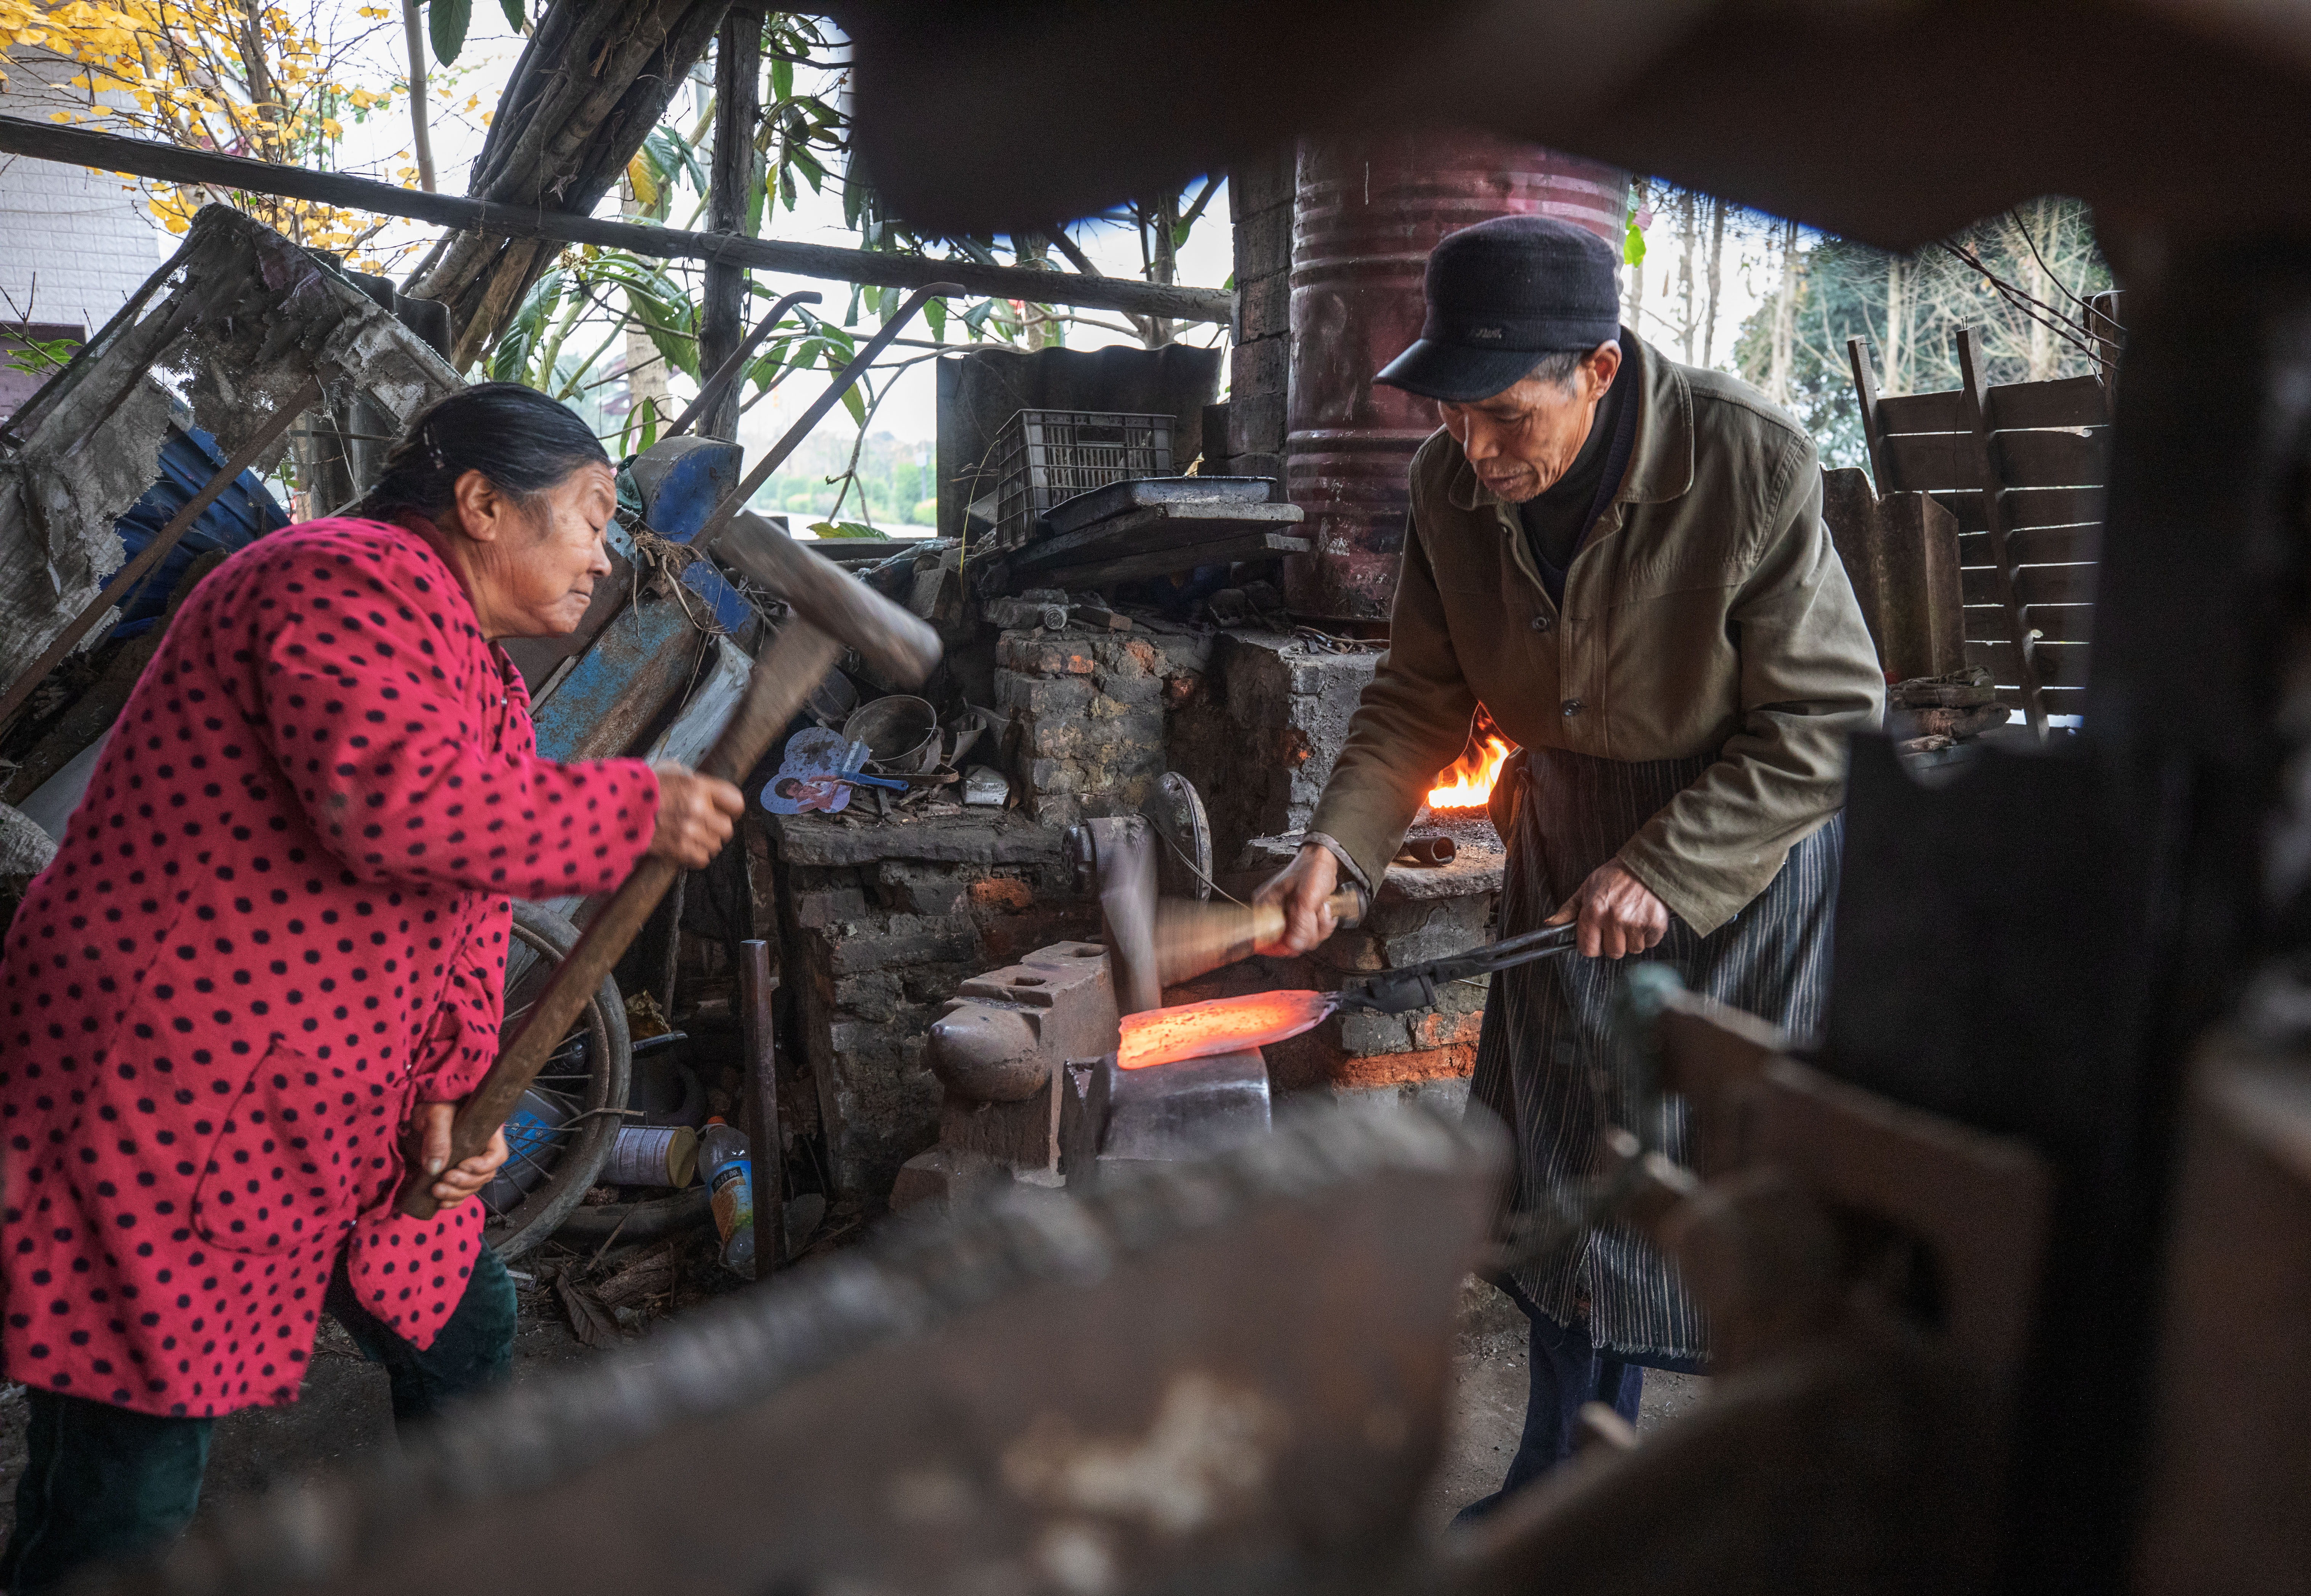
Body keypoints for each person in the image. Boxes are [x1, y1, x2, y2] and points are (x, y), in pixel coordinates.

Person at [0, 383, 746, 1591]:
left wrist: (458, 1107)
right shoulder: (338, 576)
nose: (605, 558)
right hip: (178, 1095)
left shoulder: (479, 669)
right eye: (591, 516)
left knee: (464, 1319)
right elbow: (399, 810)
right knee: (135, 1431)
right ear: (481, 504)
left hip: (325, 1096)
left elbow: (452, 920)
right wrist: (633, 804)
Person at [1254, 216, 1884, 1510]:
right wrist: (1340, 848)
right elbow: (1415, 703)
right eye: (1451, 415)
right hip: (1562, 836)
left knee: (1715, 1166)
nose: (1477, 450)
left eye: (1505, 415)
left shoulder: (1744, 459)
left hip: (1737, 844)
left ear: (1597, 370)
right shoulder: (1450, 489)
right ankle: (1559, 1467)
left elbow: (1828, 720)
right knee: (1558, 1157)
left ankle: (1750, 1482)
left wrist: (1667, 864)